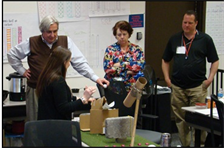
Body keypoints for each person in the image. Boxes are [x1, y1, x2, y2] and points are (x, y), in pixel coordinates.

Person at [7, 15, 109, 121]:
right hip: (36, 89)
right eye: (49, 32)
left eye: (55, 31)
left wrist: (96, 78)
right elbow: (12, 55)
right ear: (42, 31)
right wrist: (21, 70)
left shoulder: (66, 41)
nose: (52, 35)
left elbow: (80, 63)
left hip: (57, 89)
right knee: (37, 123)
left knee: (59, 119)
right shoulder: (31, 42)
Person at [161, 10, 219, 147]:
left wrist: (210, 79)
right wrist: (167, 79)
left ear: (196, 23)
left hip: (198, 87)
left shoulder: (205, 40)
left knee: (200, 120)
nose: (186, 25)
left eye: (190, 23)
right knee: (180, 120)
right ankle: (185, 144)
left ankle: (201, 144)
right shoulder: (175, 39)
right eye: (184, 22)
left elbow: (215, 61)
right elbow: (165, 60)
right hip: (178, 87)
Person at [36, 46, 96, 120]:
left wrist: (82, 99)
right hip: (56, 126)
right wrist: (83, 98)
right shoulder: (58, 81)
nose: (69, 64)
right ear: (64, 62)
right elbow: (64, 108)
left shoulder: (46, 76)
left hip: (46, 123)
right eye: (69, 61)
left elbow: (61, 98)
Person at [103, 20, 145, 118]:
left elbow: (140, 66)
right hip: (115, 89)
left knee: (133, 117)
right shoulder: (110, 50)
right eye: (119, 34)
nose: (122, 37)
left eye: (124, 34)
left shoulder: (137, 50)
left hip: (132, 89)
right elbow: (108, 69)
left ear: (129, 34)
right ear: (115, 35)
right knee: (117, 117)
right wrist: (129, 68)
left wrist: (120, 65)